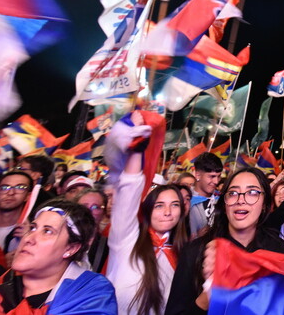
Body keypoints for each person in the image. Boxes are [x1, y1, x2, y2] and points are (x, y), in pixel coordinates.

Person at [165, 167, 284, 314]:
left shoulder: (277, 250)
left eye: (252, 192)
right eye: (233, 193)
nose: (240, 200)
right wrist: (207, 297)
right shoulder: (196, 252)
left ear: (264, 204)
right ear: (224, 204)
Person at [106, 134, 188, 315]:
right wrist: (137, 148)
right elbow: (128, 194)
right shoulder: (126, 239)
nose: (168, 212)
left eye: (175, 205)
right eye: (159, 206)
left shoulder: (184, 252)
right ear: (147, 209)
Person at [0, 200, 117, 314]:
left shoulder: (91, 295)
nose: (28, 238)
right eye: (33, 228)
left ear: (70, 248)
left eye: (47, 231)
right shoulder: (5, 282)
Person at [0, 172, 32, 268]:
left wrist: (28, 239)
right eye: (4, 188)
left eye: (20, 187)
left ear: (28, 196)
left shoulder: (33, 232)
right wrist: (0, 263)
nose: (10, 193)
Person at [75, 187, 110, 273]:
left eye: (96, 207)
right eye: (84, 206)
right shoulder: (61, 238)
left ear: (104, 212)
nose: (89, 211)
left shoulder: (107, 246)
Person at [188, 153, 223, 237]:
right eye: (212, 176)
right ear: (198, 175)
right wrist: (197, 239)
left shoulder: (221, 200)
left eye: (219, 176)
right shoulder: (186, 202)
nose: (216, 181)